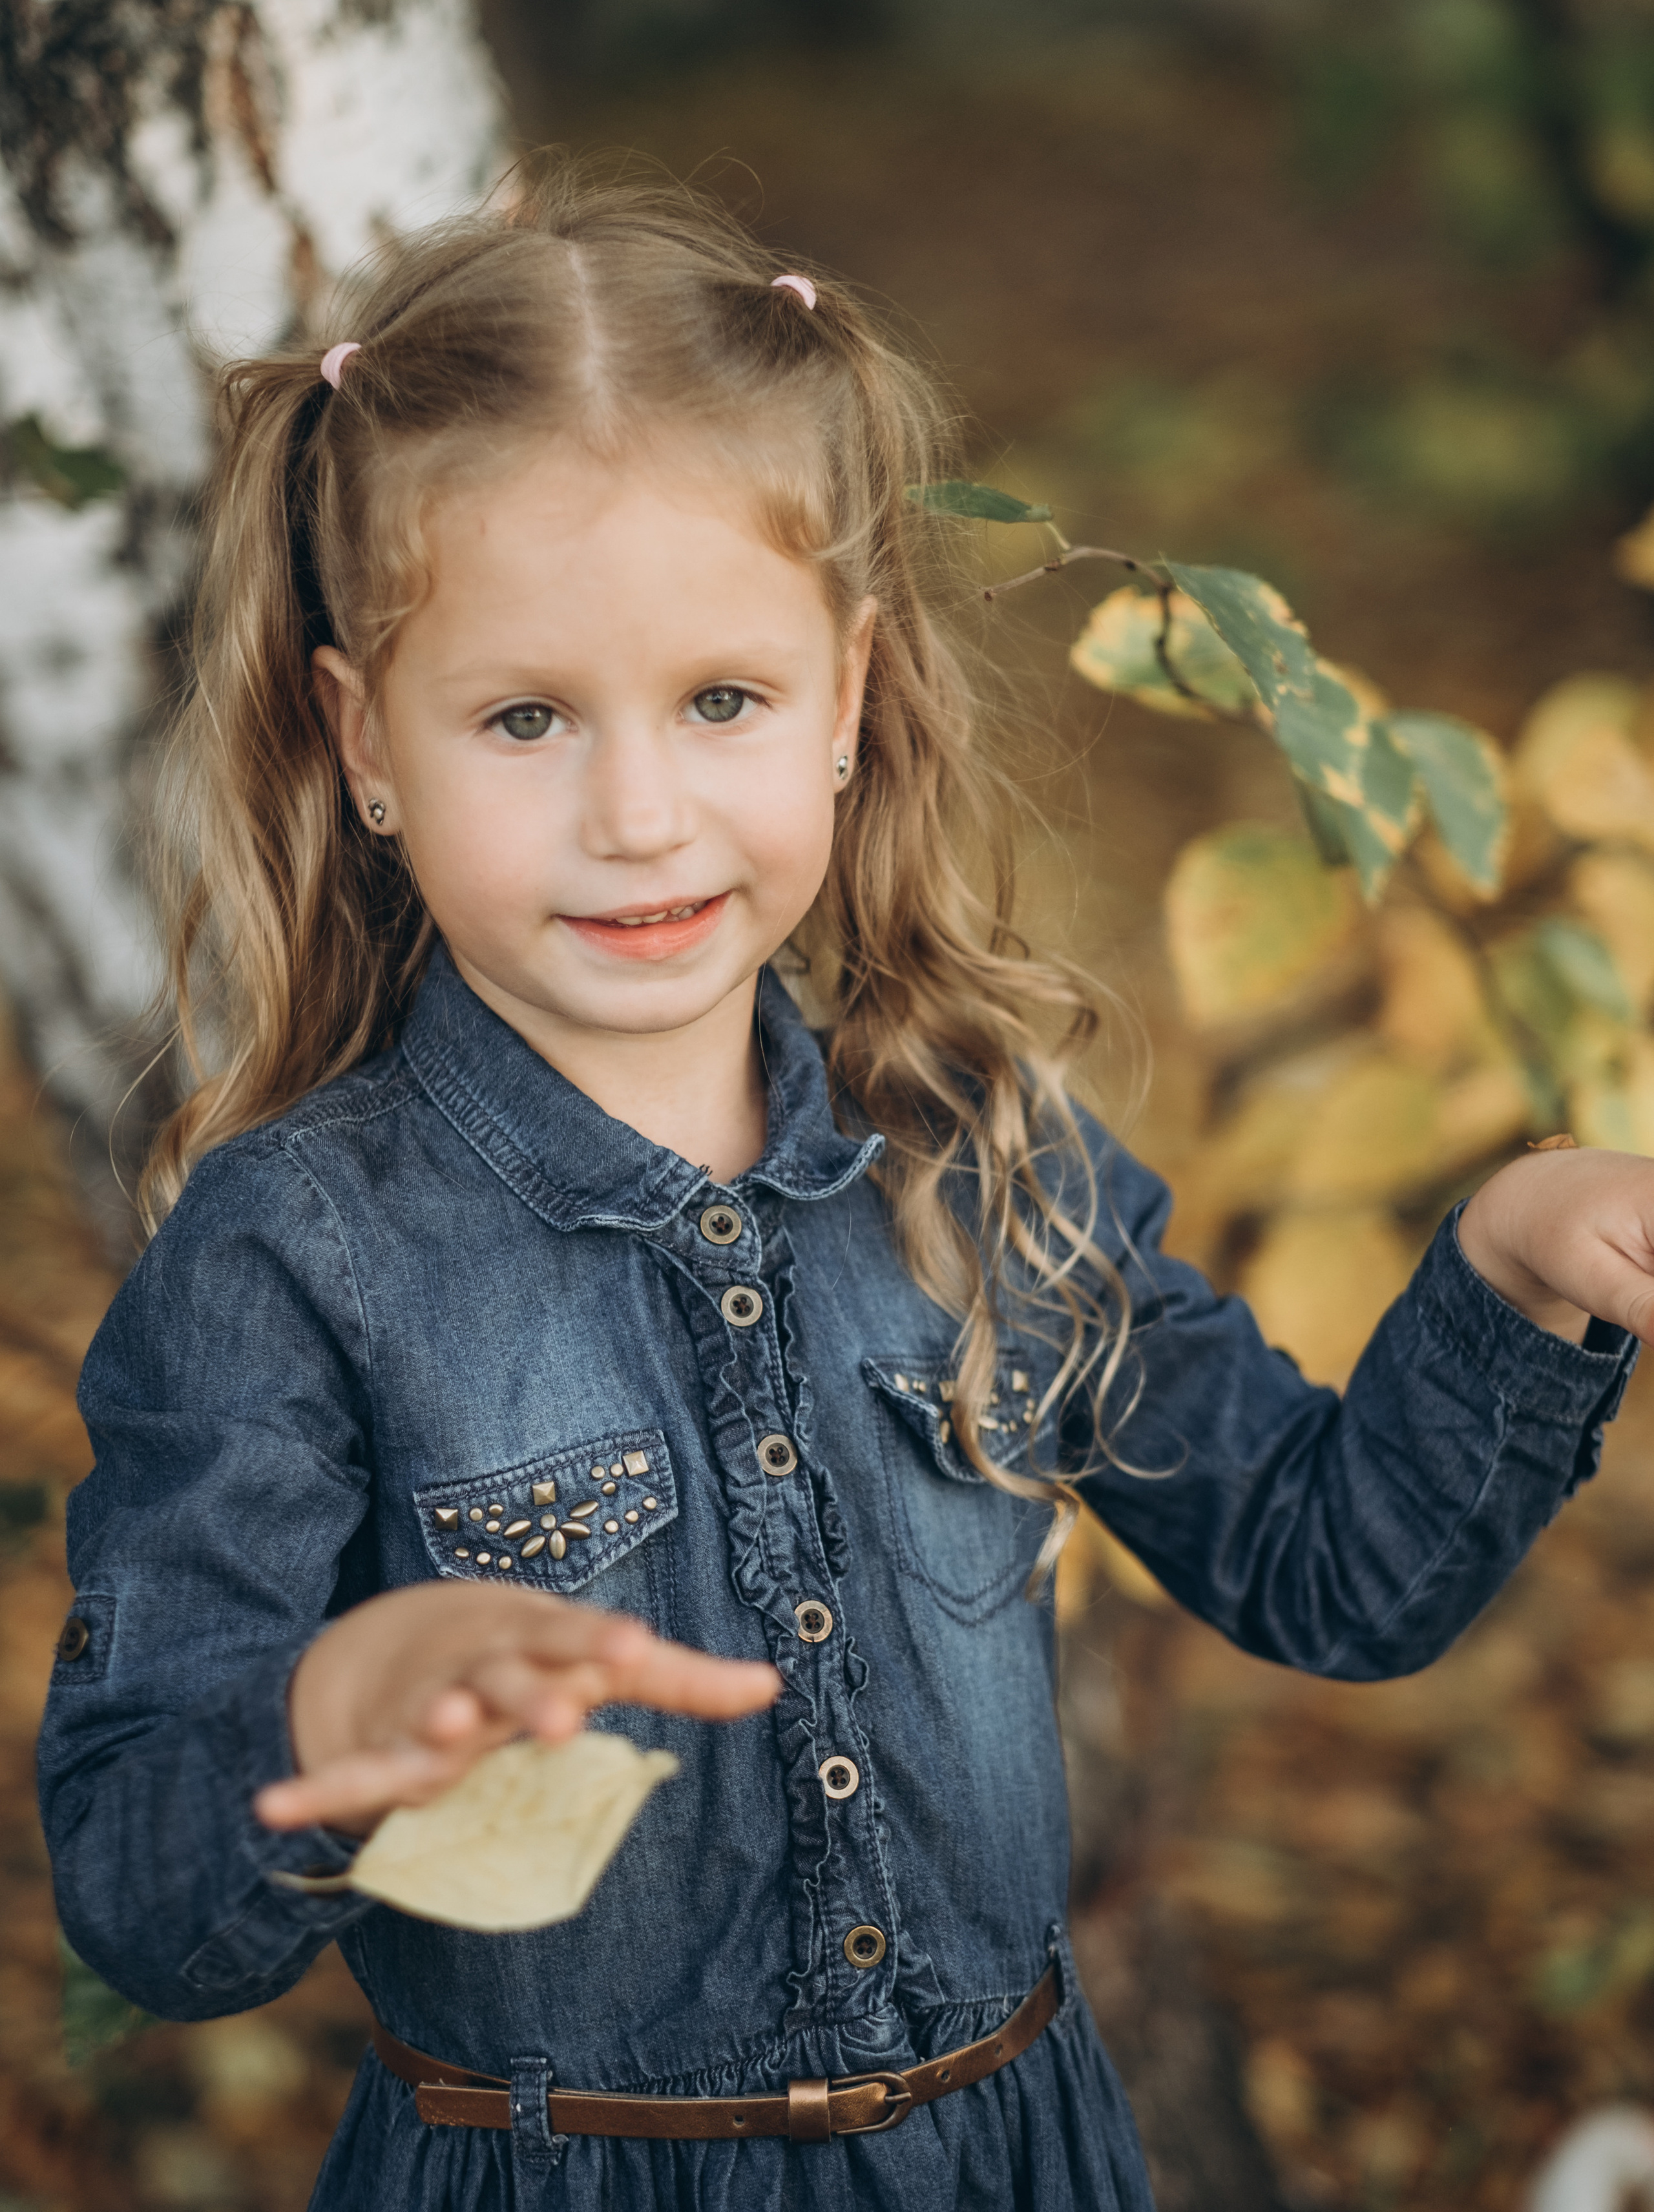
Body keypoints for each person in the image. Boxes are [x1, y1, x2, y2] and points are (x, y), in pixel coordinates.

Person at [37, 164, 1651, 2212]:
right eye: (523, 718)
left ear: (850, 701)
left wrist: (1512, 1272)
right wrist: (321, 1724)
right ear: (368, 744)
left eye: (723, 701)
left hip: (1014, 2161)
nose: (639, 814)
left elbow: (1331, 1572)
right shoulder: (291, 1253)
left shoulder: (978, 1151)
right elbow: (144, 1900)